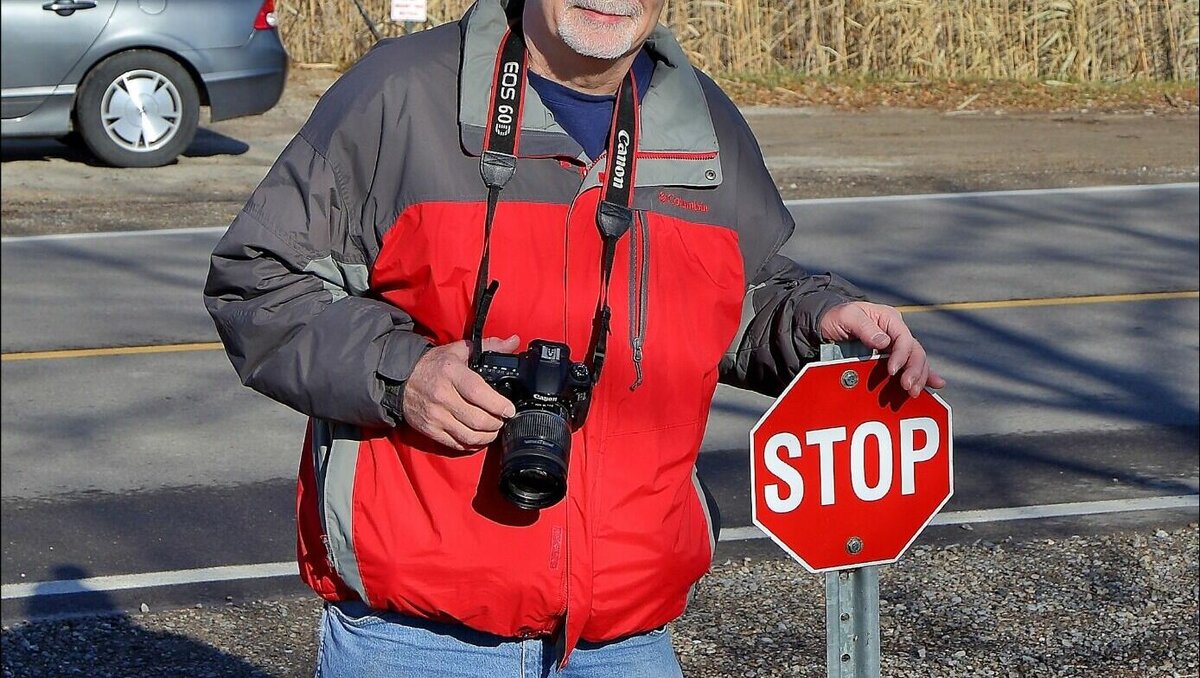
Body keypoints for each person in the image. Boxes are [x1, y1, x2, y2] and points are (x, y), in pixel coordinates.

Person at [203, 0, 944, 675]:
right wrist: (404, 374)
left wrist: (819, 317)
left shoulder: (699, 119)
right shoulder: (404, 94)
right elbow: (258, 281)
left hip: (628, 639)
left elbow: (734, 294)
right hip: (420, 639)